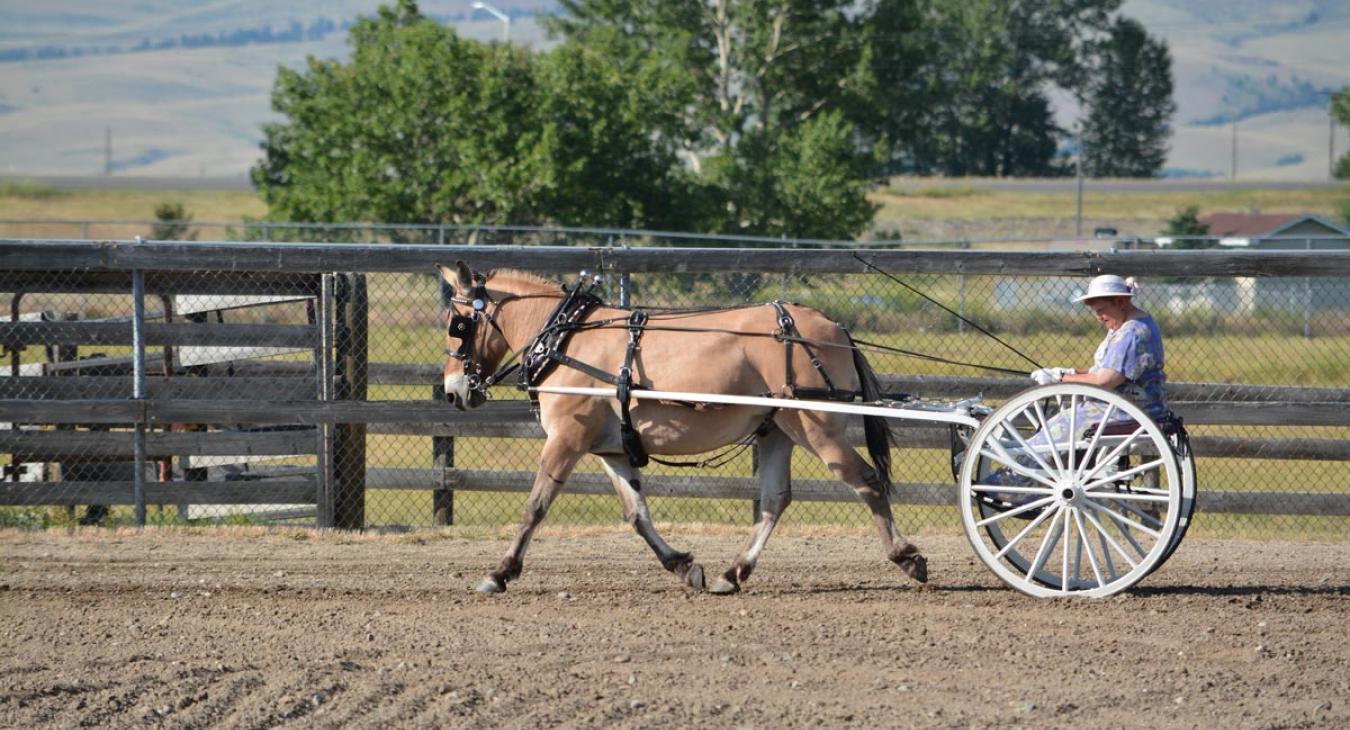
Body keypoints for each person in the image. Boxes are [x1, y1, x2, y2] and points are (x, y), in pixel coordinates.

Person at [986, 274, 1168, 491]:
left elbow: (1105, 380)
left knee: (1055, 431)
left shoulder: (1132, 333)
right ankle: (1026, 476)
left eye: (1101, 310)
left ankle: (1018, 480)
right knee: (1058, 424)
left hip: (1121, 411)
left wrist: (1060, 379)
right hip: (1126, 406)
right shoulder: (1129, 326)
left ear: (1120, 302)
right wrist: (1069, 372)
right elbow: (1108, 370)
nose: (1098, 317)